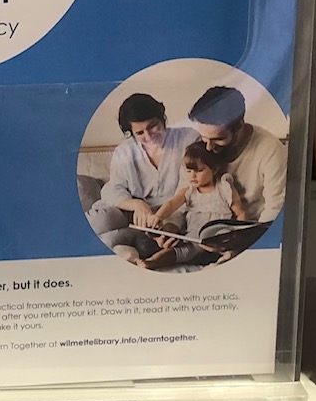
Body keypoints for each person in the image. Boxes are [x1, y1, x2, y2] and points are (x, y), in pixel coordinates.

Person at [90, 92, 198, 254]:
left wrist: (169, 222)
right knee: (101, 221)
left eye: (153, 126)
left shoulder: (189, 139)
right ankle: (129, 243)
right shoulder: (124, 151)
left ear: (163, 119)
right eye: (139, 133)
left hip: (174, 211)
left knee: (112, 240)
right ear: (131, 133)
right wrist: (137, 205)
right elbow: (113, 189)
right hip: (132, 211)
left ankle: (127, 247)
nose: (149, 136)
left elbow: (192, 188)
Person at [188, 85, 287, 222]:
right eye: (204, 137)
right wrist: (171, 227)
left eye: (219, 139)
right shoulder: (200, 144)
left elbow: (275, 210)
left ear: (239, 125)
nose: (209, 147)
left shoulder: (271, 150)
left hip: (251, 229)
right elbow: (184, 191)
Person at [146, 141, 248, 268]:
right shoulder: (189, 190)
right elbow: (172, 204)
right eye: (188, 171)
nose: (192, 176)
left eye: (199, 170)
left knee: (231, 252)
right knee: (182, 250)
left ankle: (223, 260)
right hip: (195, 237)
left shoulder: (224, 187)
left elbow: (241, 213)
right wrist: (159, 216)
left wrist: (238, 236)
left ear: (214, 169)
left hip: (220, 235)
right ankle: (151, 262)